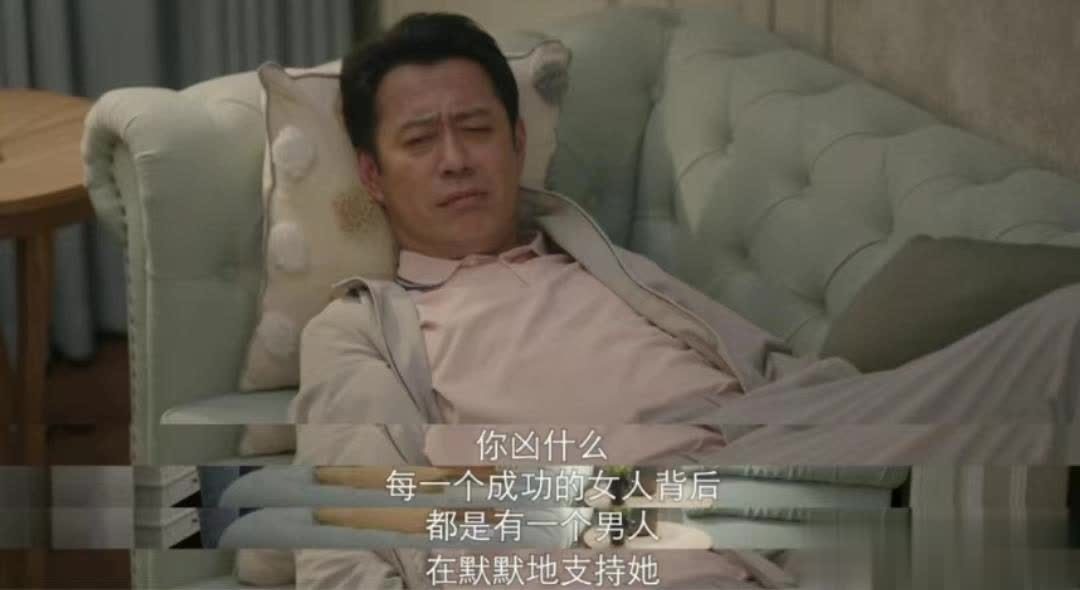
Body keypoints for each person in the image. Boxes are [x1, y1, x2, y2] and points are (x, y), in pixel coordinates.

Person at [287, 11, 1080, 589]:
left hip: (781, 444)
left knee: (1061, 332)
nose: (456, 159)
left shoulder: (600, 260)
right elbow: (342, 535)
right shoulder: (362, 326)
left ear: (518, 143)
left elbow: (772, 372)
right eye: (420, 141)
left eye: (476, 128)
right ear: (373, 177)